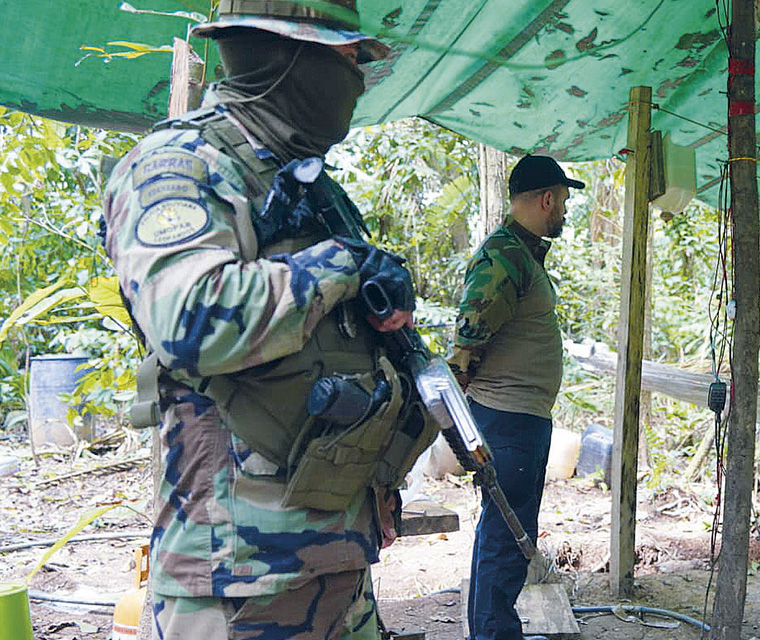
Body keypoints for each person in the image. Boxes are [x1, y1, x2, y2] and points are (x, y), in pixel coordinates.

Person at [98, 2, 436, 638]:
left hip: (336, 562)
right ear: (286, 56)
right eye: (347, 58)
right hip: (237, 582)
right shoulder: (180, 163)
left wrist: (378, 482)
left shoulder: (306, 183)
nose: (358, 77)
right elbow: (189, 319)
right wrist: (343, 264)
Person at [447, 155, 583, 640]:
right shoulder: (504, 256)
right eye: (563, 202)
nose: (564, 212)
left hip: (519, 418)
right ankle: (493, 634)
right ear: (547, 199)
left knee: (506, 528)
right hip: (507, 419)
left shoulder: (520, 253)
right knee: (506, 534)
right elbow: (467, 342)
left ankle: (492, 630)